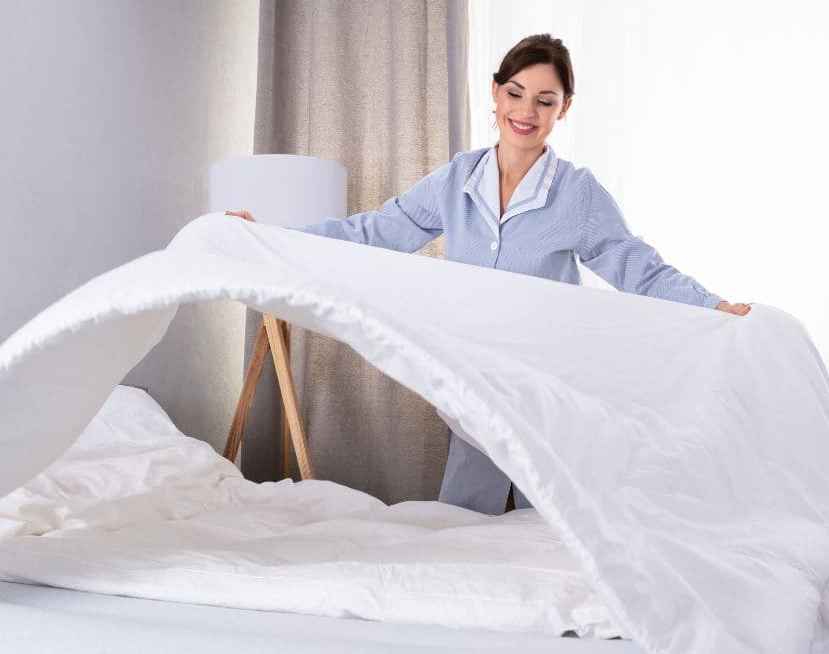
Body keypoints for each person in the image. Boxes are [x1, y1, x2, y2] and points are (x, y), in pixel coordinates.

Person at [228, 33, 750, 516]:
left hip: (545, 393)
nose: (526, 111)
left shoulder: (577, 194)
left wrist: (710, 306)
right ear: (496, 92)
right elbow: (376, 232)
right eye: (516, 94)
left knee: (551, 527)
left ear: (564, 109)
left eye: (544, 101)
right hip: (474, 386)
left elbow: (637, 267)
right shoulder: (457, 179)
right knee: (465, 526)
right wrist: (272, 237)